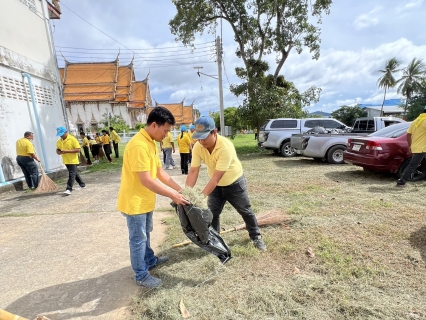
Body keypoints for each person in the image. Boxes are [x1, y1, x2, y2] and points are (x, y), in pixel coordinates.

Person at [117, 106, 189, 288]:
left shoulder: (150, 142)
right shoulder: (138, 145)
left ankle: (149, 260)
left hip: (145, 200)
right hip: (135, 203)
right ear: (154, 125)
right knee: (138, 238)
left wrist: (180, 190)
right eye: (165, 131)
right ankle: (141, 275)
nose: (166, 135)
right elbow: (147, 180)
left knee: (145, 234)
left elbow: (159, 173)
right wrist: (172, 194)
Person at [185, 116, 266, 251]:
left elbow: (216, 177)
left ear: (214, 132)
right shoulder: (198, 147)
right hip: (216, 188)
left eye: (204, 136)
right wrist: (186, 192)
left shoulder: (225, 147)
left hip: (234, 183)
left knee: (245, 211)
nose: (201, 140)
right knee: (213, 214)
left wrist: (199, 198)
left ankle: (256, 237)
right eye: (198, 137)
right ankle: (215, 240)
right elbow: (193, 171)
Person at [397, 107, 426, 187]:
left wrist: (410, 145)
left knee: (418, 163)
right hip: (422, 148)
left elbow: (408, 134)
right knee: (413, 165)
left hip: (416, 146)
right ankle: (402, 181)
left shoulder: (416, 121)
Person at [56, 126, 86, 195]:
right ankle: (82, 184)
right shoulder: (58, 141)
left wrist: (66, 151)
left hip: (73, 160)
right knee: (74, 173)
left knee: (72, 174)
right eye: (59, 135)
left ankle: (69, 188)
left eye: (62, 134)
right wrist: (58, 152)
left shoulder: (72, 139)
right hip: (66, 160)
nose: (61, 136)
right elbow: (57, 149)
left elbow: (78, 149)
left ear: (66, 132)